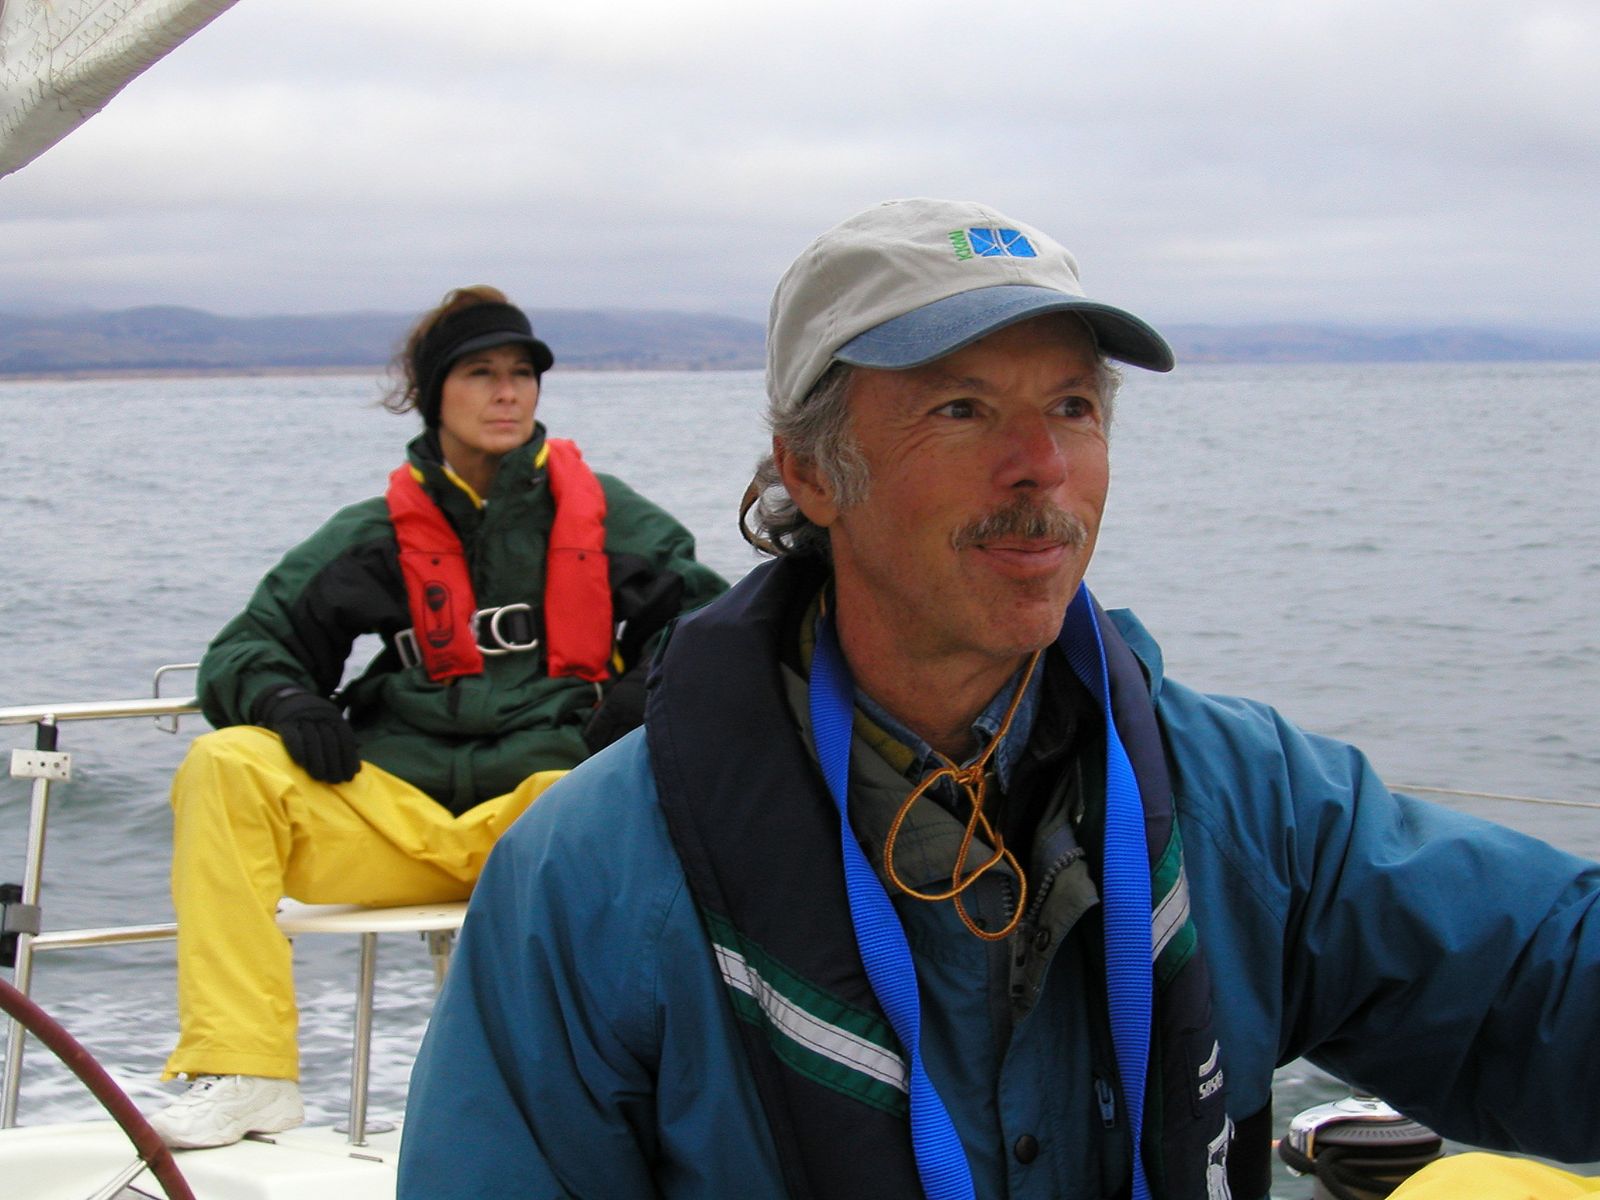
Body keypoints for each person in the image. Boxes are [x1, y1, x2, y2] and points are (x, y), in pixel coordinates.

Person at [397, 203, 1600, 1199]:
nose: (1044, 467)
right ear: (810, 469)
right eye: (961, 409)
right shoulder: (595, 878)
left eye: (1072, 407)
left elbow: (1543, 983)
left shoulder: (1249, 803)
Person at [146, 285, 727, 1150]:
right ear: (432, 394)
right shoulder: (373, 533)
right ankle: (247, 1071)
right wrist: (284, 700)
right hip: (399, 820)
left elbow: (711, 626)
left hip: (541, 820)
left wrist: (641, 694)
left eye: (523, 373)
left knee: (634, 787)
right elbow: (244, 649)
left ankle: (603, 1113)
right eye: (480, 373)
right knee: (224, 764)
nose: (507, 393)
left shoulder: (609, 517)